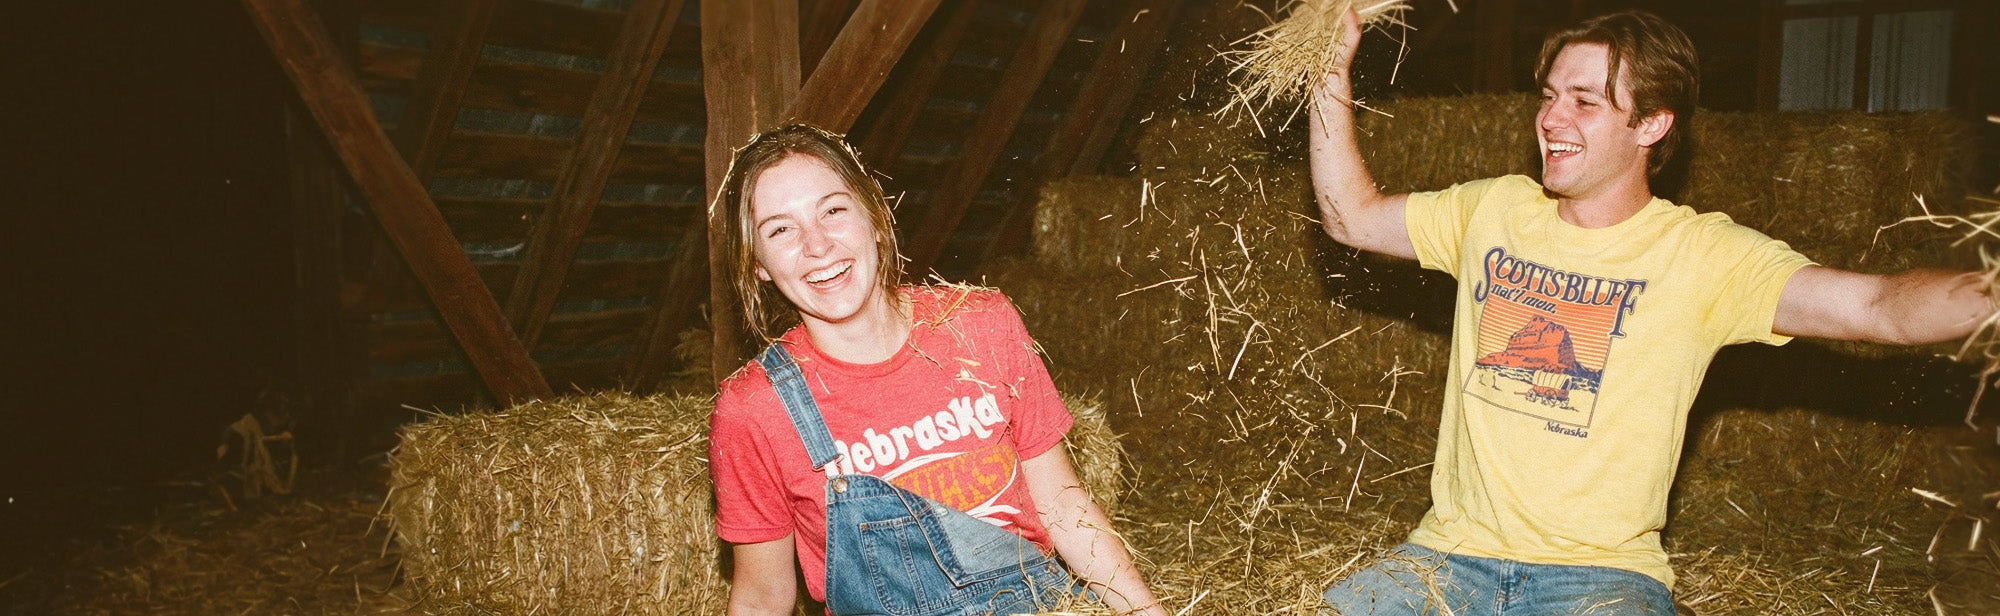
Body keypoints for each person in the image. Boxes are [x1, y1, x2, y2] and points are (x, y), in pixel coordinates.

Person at [1308, 9, 1992, 615]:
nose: (1551, 119)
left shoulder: (1702, 256)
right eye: (1549, 96)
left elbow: (1880, 308)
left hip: (1597, 581)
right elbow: (1352, 217)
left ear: (1652, 122)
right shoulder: (1493, 210)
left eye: (1584, 101)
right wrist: (1327, 66)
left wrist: (1990, 288)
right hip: (1445, 560)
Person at [707, 124, 1168, 616]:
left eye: (833, 210)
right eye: (781, 229)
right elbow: (764, 594)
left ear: (874, 215)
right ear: (756, 262)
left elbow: (1064, 507)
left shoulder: (982, 325)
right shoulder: (753, 409)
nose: (817, 245)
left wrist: (1147, 612)